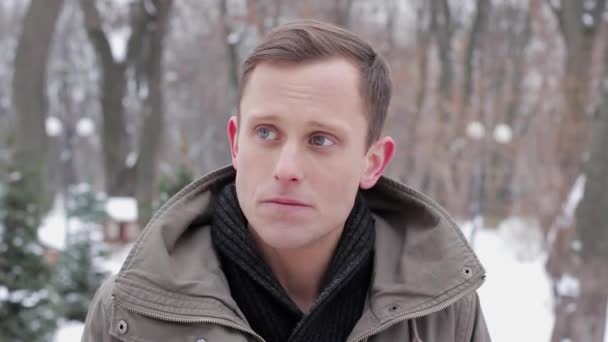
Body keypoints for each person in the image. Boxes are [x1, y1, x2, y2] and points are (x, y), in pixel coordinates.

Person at [82, 20, 490, 342]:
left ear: (372, 161)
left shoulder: (440, 314)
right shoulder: (131, 316)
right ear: (236, 144)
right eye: (266, 133)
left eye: (320, 140)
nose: (286, 167)